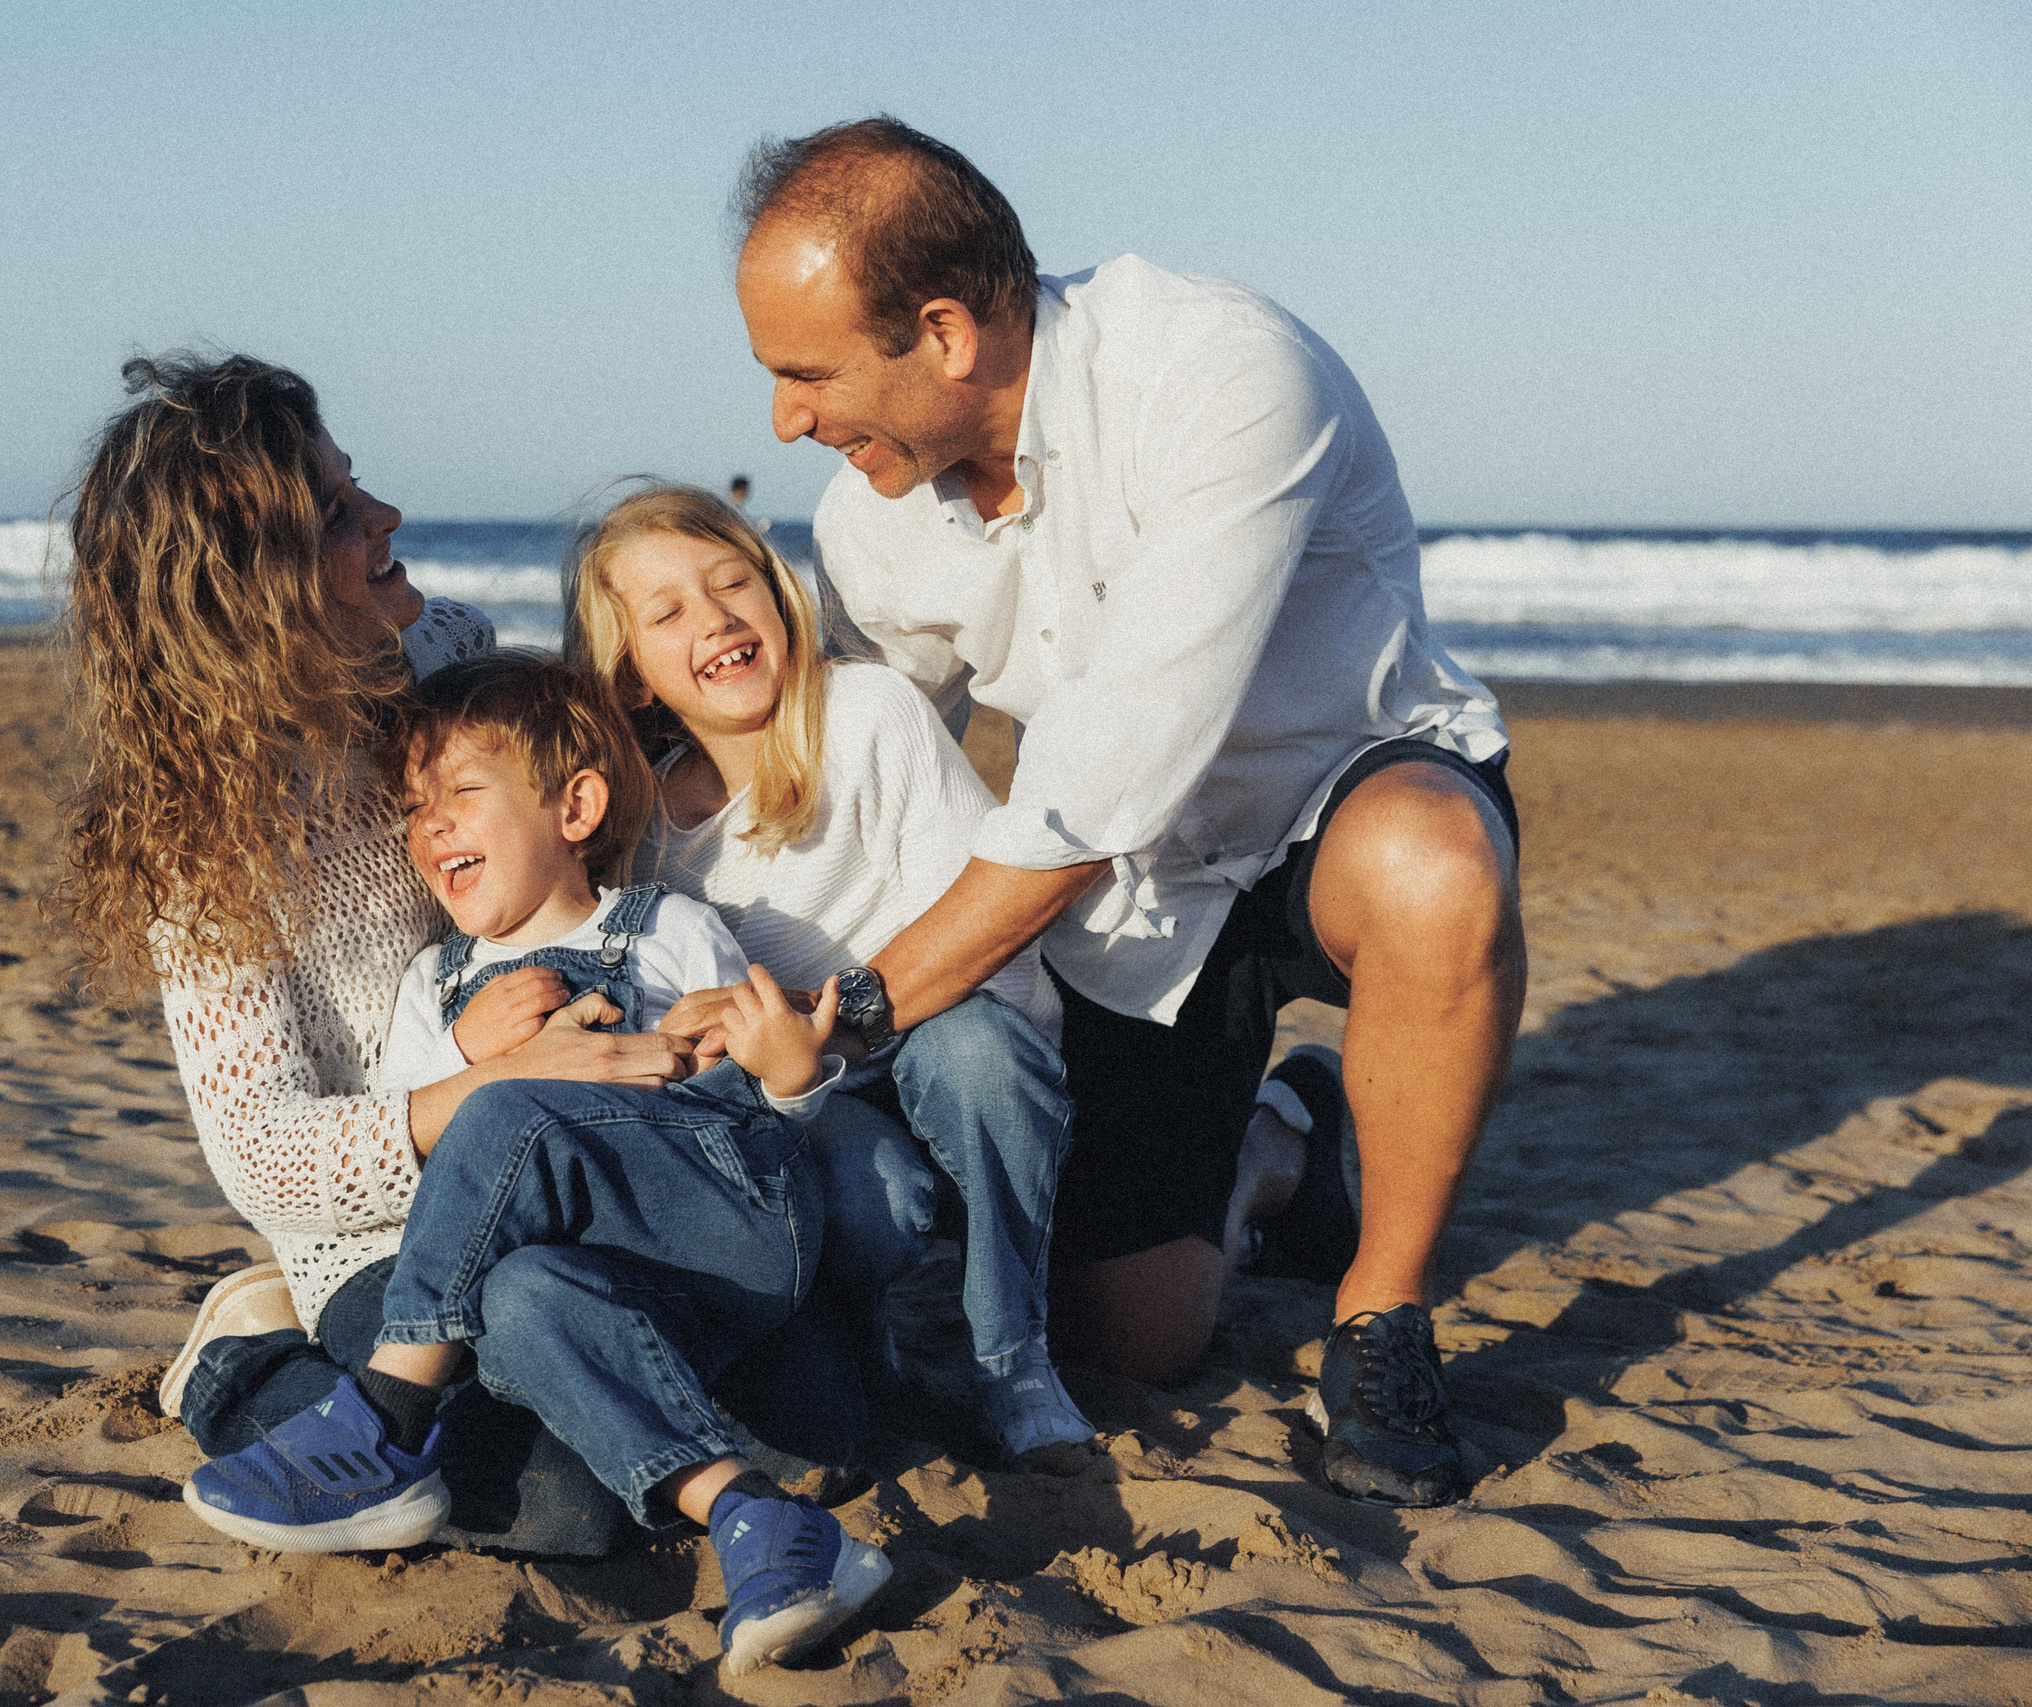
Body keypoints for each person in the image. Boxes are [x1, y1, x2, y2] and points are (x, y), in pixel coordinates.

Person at [723, 118, 1524, 1509]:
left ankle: (1380, 1316)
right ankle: (1283, 1148)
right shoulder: (870, 520)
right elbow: (852, 772)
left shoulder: (1223, 373)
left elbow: (1097, 787)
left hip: (1333, 799)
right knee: (1134, 1341)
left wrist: (852, 1014)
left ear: (945, 332)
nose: (787, 421)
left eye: (807, 373)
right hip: (1139, 904)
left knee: (1436, 867)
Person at [61, 353, 707, 1563]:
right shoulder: (208, 843)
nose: (386, 516)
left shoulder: (447, 651)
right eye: (336, 515)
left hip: (569, 1176)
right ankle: (241, 1365)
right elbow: (262, 1157)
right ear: (247, 587)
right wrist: (495, 1088)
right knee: (562, 1504)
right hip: (378, 1241)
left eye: (357, 485)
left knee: (734, 1408)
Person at [184, 653, 891, 1673]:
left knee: (514, 1117)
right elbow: (425, 1171)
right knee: (519, 1298)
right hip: (587, 1279)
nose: (431, 825)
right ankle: (759, 1520)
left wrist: (786, 1073)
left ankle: (386, 1416)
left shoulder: (670, 928)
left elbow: (758, 1110)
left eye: (463, 793)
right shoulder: (436, 988)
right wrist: (468, 1055)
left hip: (720, 1227)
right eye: (414, 808)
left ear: (576, 808)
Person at [561, 483, 1095, 1469]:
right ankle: (863, 1325)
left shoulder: (868, 714)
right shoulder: (642, 835)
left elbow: (1000, 955)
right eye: (667, 612)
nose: (715, 618)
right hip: (810, 1098)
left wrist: (828, 1017)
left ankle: (1013, 1356)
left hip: (952, 1046)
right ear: (630, 677)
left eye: (733, 583)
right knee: (866, 1193)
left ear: (778, 595)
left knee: (978, 1055)